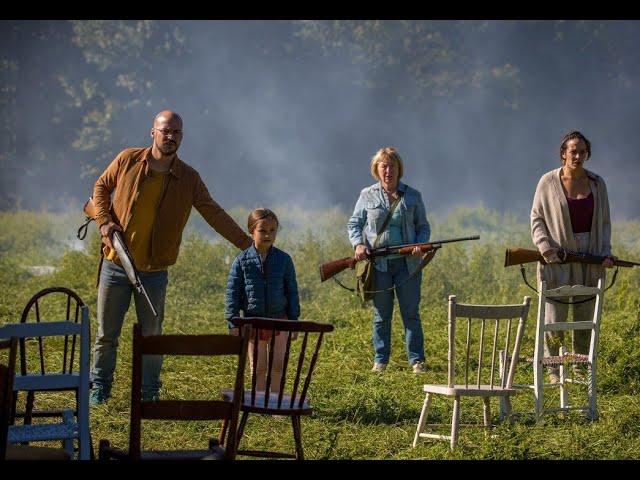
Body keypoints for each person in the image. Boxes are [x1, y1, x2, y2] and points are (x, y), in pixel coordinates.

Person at [89, 110, 252, 404]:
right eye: (165, 131)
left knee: (152, 337)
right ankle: (99, 388)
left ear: (182, 137)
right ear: (153, 132)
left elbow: (213, 213)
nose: (170, 137)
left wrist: (246, 243)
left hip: (153, 271)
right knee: (106, 335)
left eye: (176, 132)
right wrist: (103, 221)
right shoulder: (127, 159)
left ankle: (149, 393)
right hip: (116, 265)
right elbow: (101, 187)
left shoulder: (188, 178)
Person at [531, 130, 616, 383]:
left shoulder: (597, 183)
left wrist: (605, 252)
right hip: (558, 256)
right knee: (554, 315)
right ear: (563, 154)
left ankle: (580, 368)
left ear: (587, 154)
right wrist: (545, 248)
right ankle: (553, 369)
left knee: (585, 314)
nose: (577, 156)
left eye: (582, 151)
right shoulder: (547, 181)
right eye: (573, 151)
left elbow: (605, 223)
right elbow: (536, 218)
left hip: (589, 256)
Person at [347, 147, 430, 374]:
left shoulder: (413, 196)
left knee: (410, 313)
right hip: (379, 265)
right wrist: (359, 245)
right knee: (381, 315)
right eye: (383, 166)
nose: (388, 170)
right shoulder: (367, 195)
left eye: (392, 166)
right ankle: (380, 361)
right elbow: (354, 224)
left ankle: (417, 361)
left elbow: (423, 227)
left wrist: (419, 246)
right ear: (377, 169)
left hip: (408, 265)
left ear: (399, 169)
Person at [225, 208, 300, 392]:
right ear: (252, 231)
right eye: (262, 231)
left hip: (280, 322)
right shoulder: (242, 261)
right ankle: (258, 402)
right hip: (254, 323)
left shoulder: (284, 260)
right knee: (258, 367)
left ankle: (273, 402)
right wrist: (233, 323)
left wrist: (294, 322)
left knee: (278, 366)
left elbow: (292, 292)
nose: (268, 235)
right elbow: (232, 293)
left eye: (272, 230)